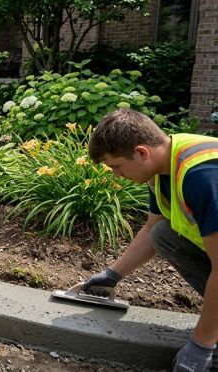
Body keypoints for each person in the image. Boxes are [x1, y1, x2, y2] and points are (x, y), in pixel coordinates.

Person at [82, 108, 218, 371]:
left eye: (117, 166)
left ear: (141, 152)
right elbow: (153, 229)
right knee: (163, 235)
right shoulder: (162, 169)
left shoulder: (202, 177)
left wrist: (201, 345)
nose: (116, 176)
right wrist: (112, 275)